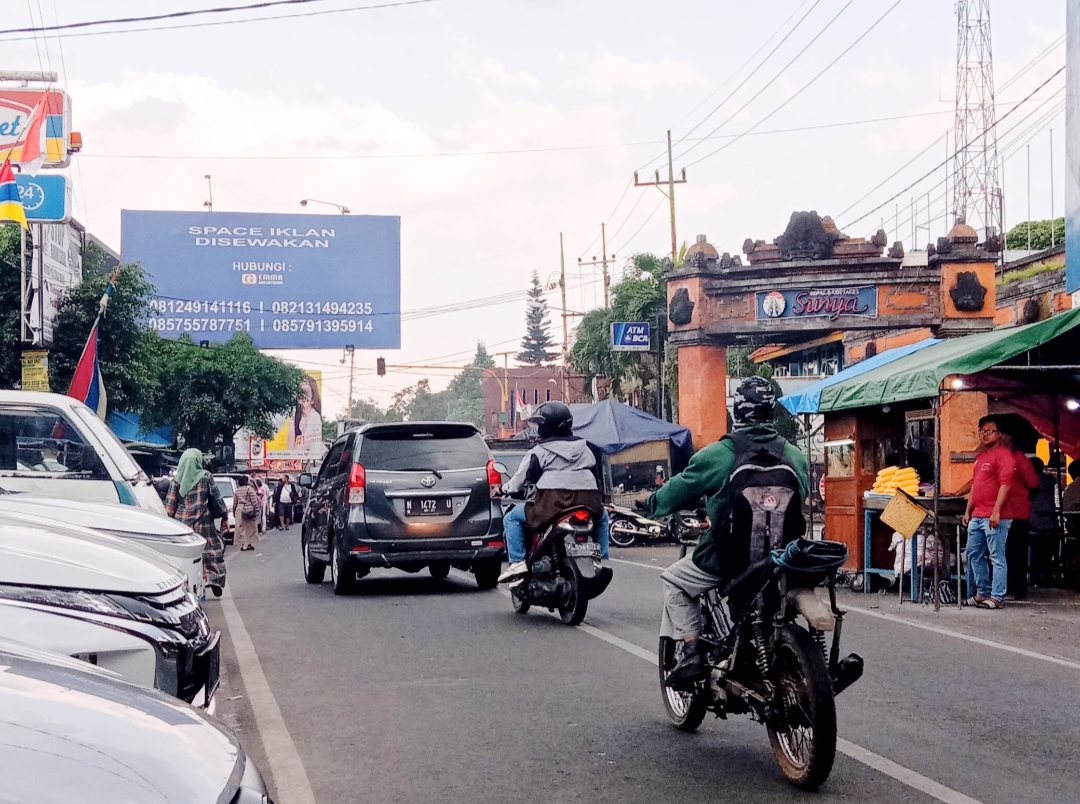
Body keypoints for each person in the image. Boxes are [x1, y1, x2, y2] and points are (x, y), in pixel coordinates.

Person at [644, 376, 809, 688]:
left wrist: (652, 502)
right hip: (782, 561)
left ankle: (692, 652)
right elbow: (802, 496)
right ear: (771, 412)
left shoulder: (719, 454)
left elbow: (673, 493)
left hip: (728, 560)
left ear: (738, 412)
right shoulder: (795, 455)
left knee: (673, 581)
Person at [497, 401, 610, 584]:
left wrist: (502, 490)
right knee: (603, 517)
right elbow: (596, 478)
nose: (539, 429)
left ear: (547, 427)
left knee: (511, 518)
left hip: (551, 505)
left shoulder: (540, 451)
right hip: (587, 502)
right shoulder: (586, 449)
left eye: (541, 425)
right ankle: (601, 560)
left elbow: (520, 480)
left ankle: (517, 563)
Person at [962, 416, 1015, 609]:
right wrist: (968, 511)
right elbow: (975, 486)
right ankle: (982, 592)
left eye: (989, 431)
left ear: (999, 434)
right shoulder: (980, 458)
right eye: (982, 431)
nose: (985, 434)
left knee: (996, 556)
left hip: (995, 516)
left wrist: (996, 511)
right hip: (977, 515)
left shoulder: (1004, 456)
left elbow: (1005, 485)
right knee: (973, 554)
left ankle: (997, 596)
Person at [165, 448, 227, 596]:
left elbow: (170, 505)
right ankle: (213, 579)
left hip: (183, 526)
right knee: (211, 552)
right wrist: (223, 516)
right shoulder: (206, 477)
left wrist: (168, 524)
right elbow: (216, 499)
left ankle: (186, 583)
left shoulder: (176, 480)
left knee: (187, 557)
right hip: (204, 523)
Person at [998, 428, 1039, 600]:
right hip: (999, 512)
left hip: (1017, 513)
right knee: (1002, 552)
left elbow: (1033, 485)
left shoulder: (1019, 459)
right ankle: (1003, 587)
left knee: (1015, 552)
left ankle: (1017, 589)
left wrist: (1020, 499)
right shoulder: (995, 457)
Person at [1027, 457, 1058, 586]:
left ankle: (1035, 574)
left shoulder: (1029, 483)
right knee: (1047, 551)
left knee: (1033, 549)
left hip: (1033, 523)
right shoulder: (1050, 482)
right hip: (1050, 522)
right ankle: (1046, 572)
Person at [288, 375, 323, 455]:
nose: (303, 396)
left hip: (311, 462)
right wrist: (293, 414)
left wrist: (292, 451)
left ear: (313, 397)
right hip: (299, 461)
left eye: (306, 392)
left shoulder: (315, 417)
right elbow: (289, 448)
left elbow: (300, 447)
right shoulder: (298, 416)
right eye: (300, 392)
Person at [232, 475, 261, 552]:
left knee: (241, 528)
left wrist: (234, 512)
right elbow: (254, 501)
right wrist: (257, 510)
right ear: (245, 482)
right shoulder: (250, 489)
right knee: (250, 527)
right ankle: (248, 544)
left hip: (239, 509)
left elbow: (235, 503)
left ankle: (243, 544)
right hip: (249, 509)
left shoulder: (237, 490)